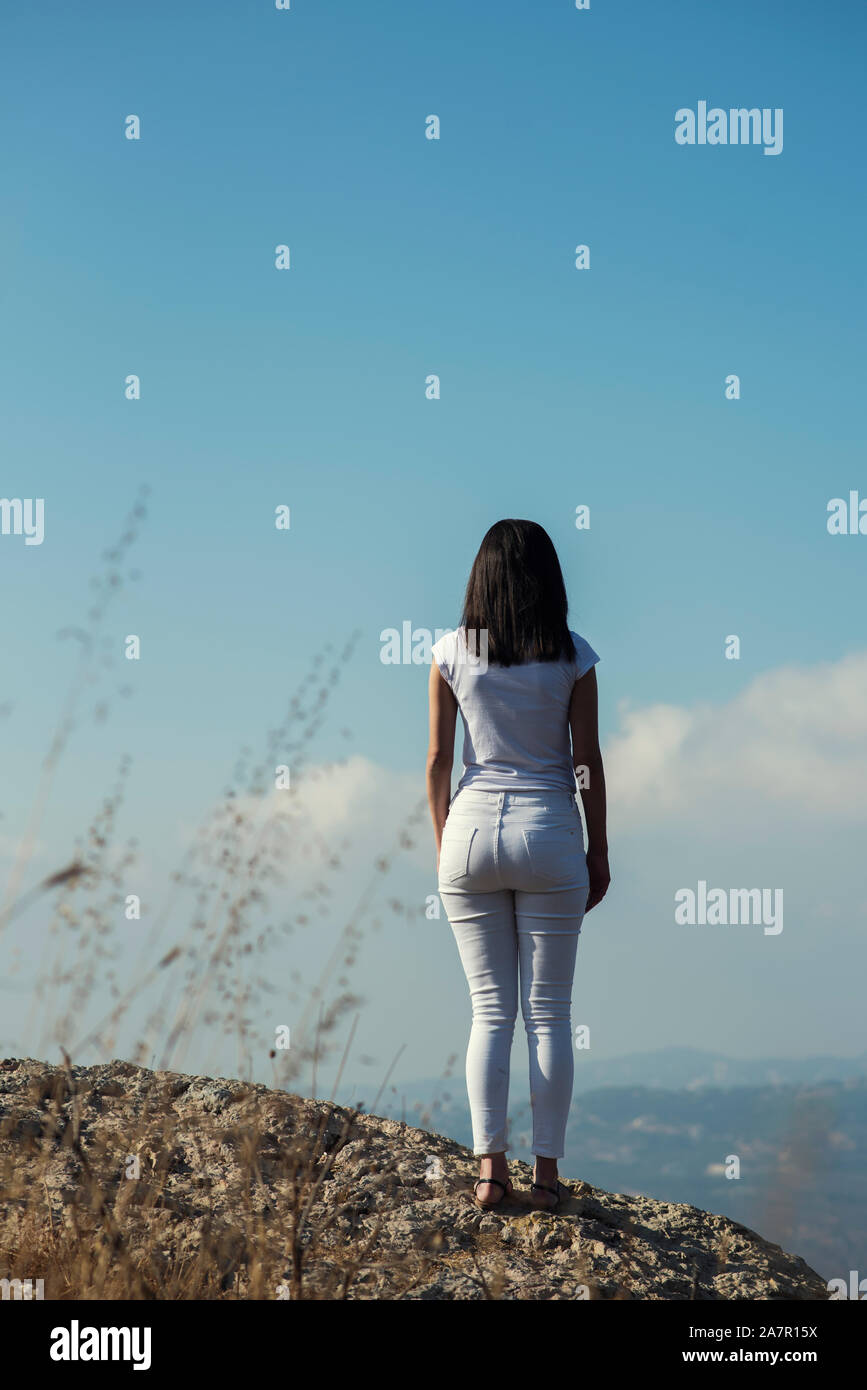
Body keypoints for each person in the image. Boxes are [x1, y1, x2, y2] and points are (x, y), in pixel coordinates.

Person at [426, 519, 610, 1212]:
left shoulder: (449, 652)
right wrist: (598, 849)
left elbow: (440, 759)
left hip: (469, 831)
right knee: (548, 1013)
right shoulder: (572, 654)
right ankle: (546, 1178)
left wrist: (445, 838)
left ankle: (487, 1173)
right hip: (549, 831)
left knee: (489, 1011)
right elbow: (585, 762)